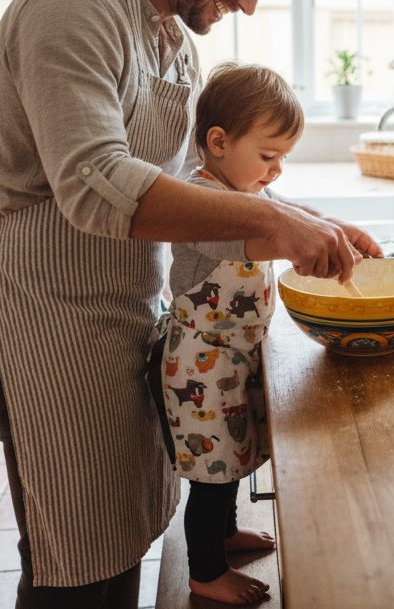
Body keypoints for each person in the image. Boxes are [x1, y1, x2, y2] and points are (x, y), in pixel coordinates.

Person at [0, 0, 381, 608]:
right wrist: (274, 221)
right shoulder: (70, 8)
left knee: (125, 536)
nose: (248, 2)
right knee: (77, 562)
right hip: (46, 315)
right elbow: (94, 183)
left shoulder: (176, 45)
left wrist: (307, 220)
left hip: (129, 308)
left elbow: (194, 188)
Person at [154, 60, 306, 604]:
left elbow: (286, 215)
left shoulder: (246, 191)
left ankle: (226, 533)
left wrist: (334, 229)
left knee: (232, 455)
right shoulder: (201, 199)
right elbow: (252, 241)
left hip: (232, 356)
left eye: (282, 158)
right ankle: (205, 570)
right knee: (211, 475)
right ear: (218, 142)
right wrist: (305, 244)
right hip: (200, 360)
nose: (277, 172)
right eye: (268, 156)